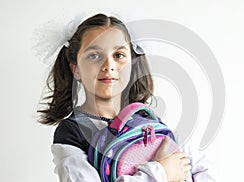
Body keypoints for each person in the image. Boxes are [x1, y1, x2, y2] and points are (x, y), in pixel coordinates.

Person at [38, 13, 216, 182]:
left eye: (119, 55)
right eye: (94, 55)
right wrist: (162, 172)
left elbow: (198, 167)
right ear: (75, 69)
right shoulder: (72, 132)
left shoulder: (145, 117)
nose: (108, 65)